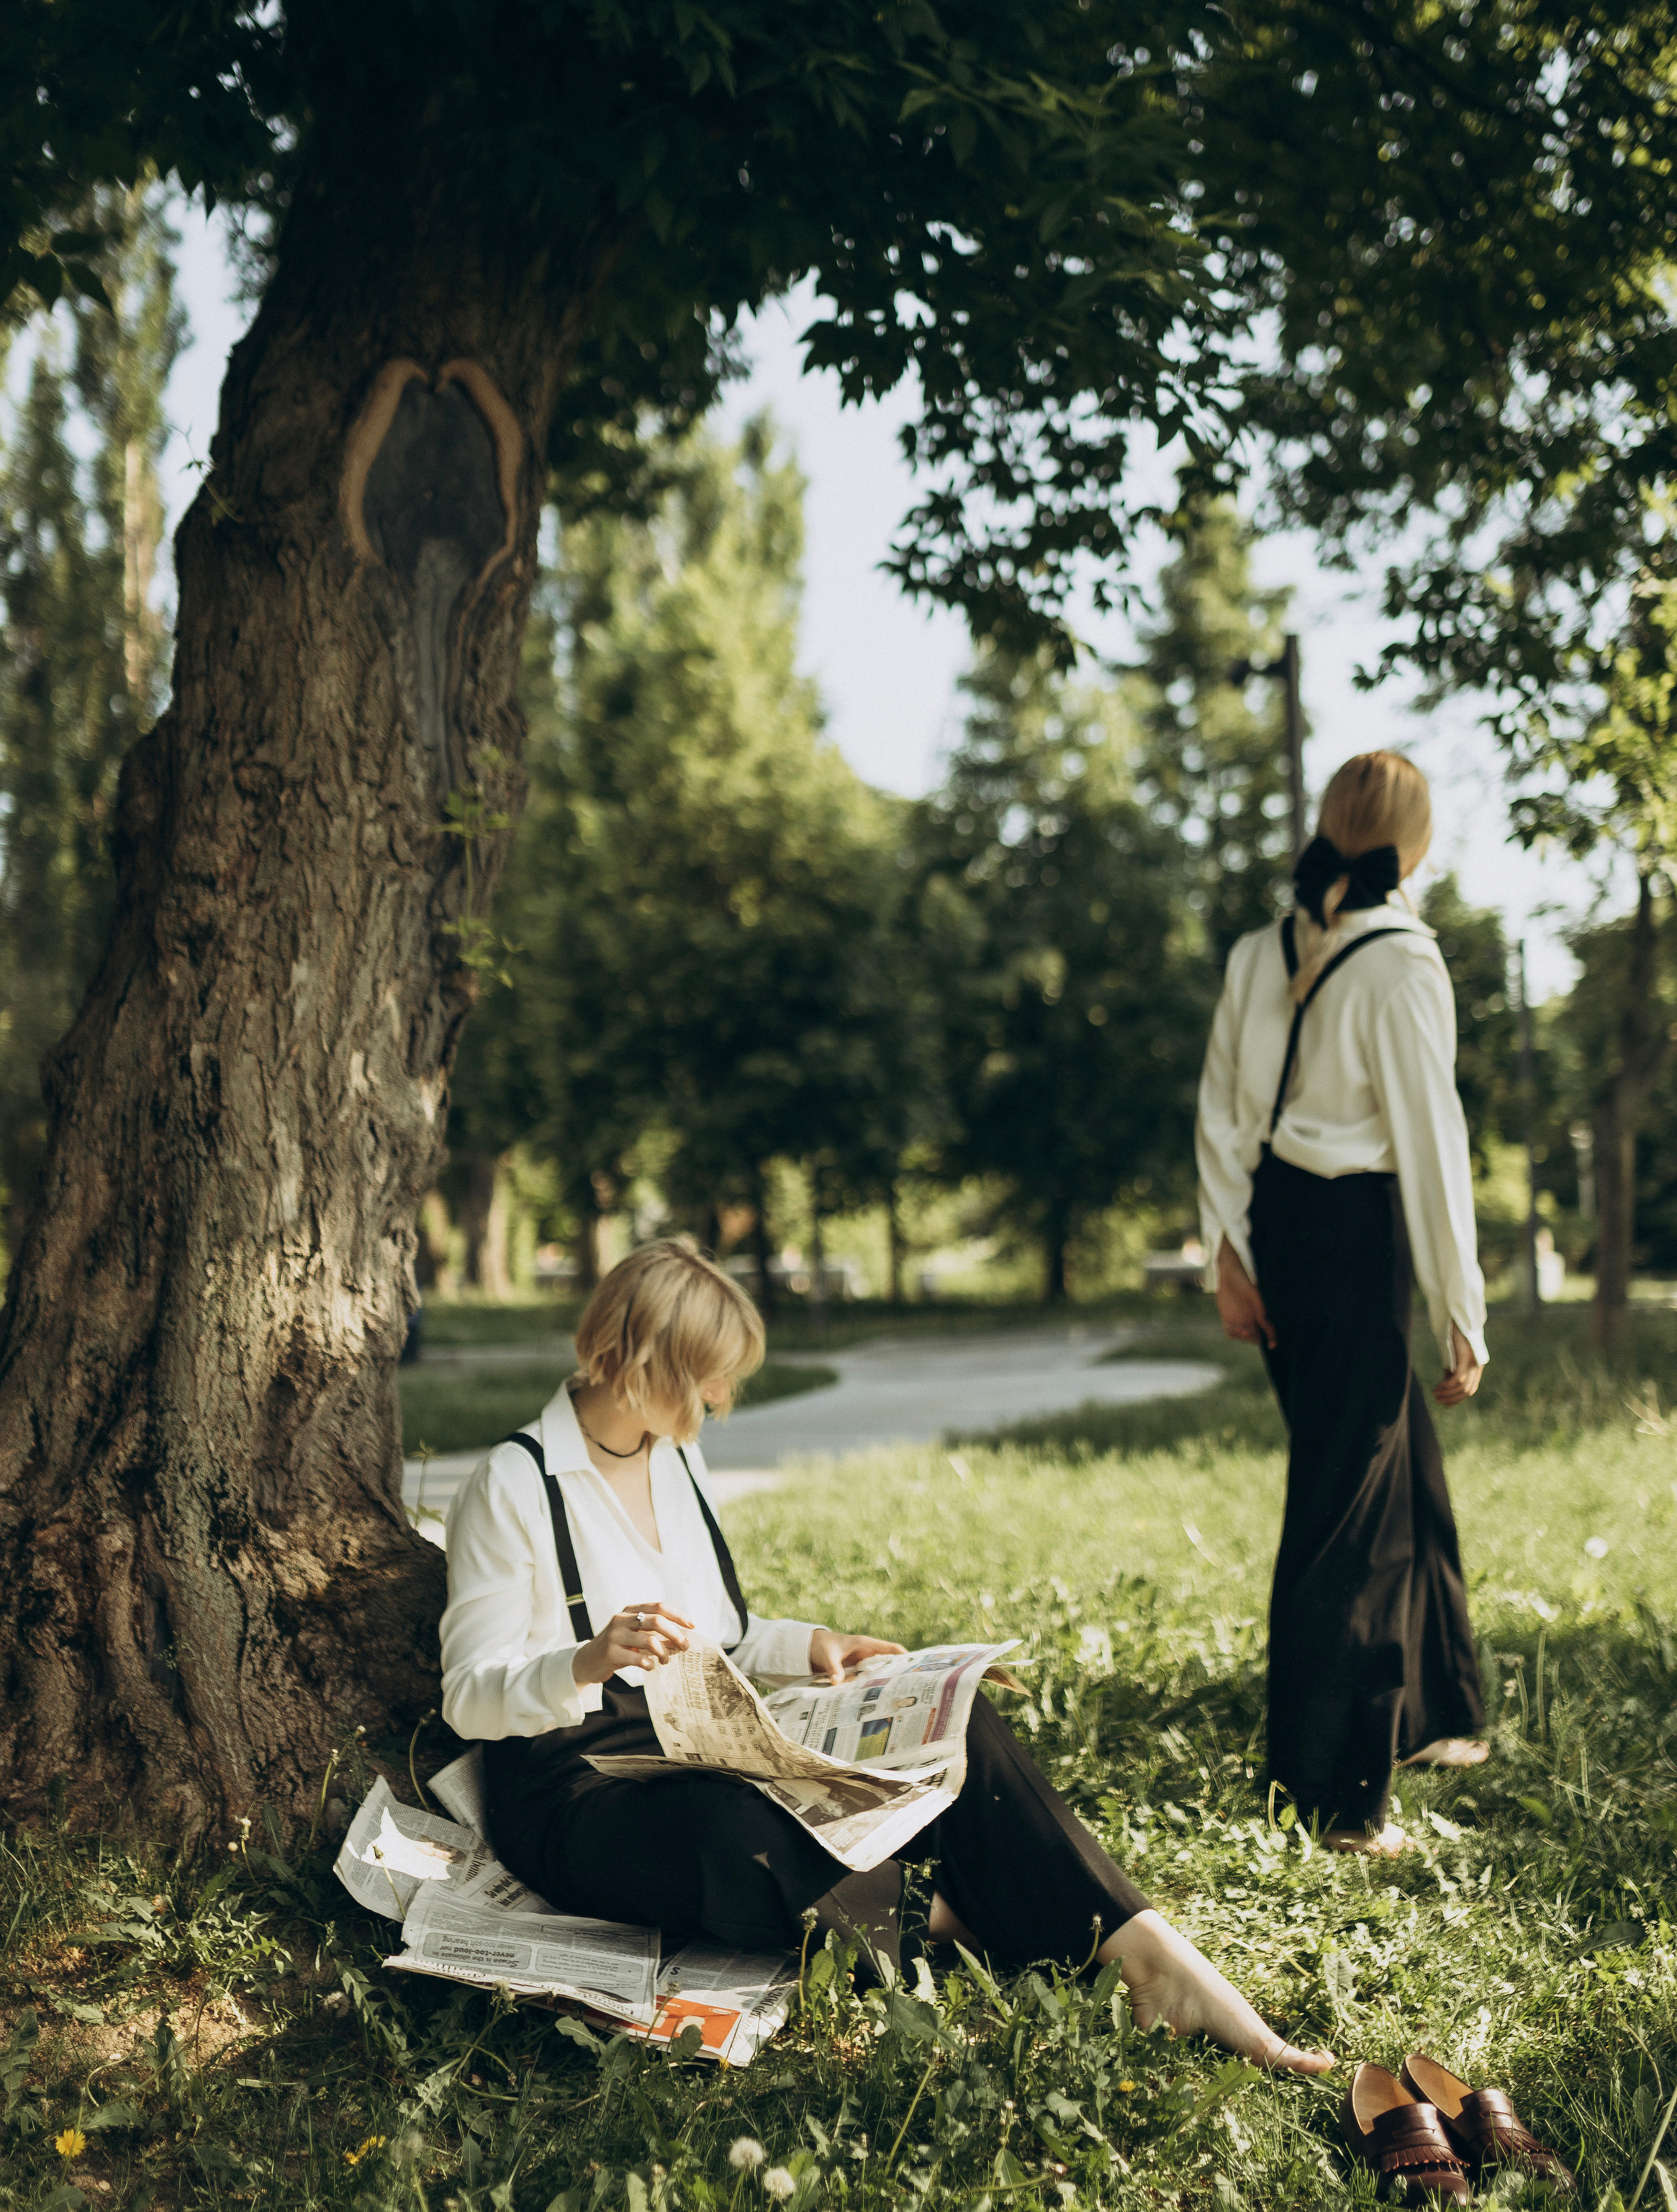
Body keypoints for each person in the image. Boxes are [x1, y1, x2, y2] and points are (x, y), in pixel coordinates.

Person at [440, 1236, 1333, 2072]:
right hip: (575, 1785)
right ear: (645, 1367)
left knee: (963, 1721)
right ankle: (977, 1917)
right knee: (732, 1839)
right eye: (710, 1381)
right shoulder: (513, 1483)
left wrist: (815, 1647)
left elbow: (726, 1635)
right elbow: (468, 1698)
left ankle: (1154, 1957)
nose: (720, 1402)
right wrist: (587, 1662)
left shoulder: (672, 1455)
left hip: (694, 1739)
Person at [1195, 751, 1488, 1855]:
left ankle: (1437, 1709)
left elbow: (1224, 1116)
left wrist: (1230, 1248)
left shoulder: (1258, 952)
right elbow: (1433, 1145)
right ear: (1414, 848)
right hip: (1357, 1233)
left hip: (1278, 1226)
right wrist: (1464, 1305)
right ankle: (1330, 1797)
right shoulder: (1404, 963)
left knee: (1396, 1453)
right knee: (1343, 1514)